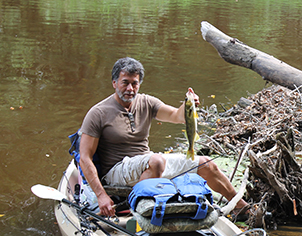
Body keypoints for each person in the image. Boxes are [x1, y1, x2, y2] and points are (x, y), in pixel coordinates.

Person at [78, 57, 249, 218]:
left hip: (147, 163)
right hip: (116, 170)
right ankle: (137, 210)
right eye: (125, 83)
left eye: (134, 83)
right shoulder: (98, 113)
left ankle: (241, 207)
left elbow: (177, 116)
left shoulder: (147, 102)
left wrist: (187, 105)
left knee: (207, 164)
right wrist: (101, 195)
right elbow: (85, 158)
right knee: (157, 161)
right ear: (114, 83)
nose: (130, 89)